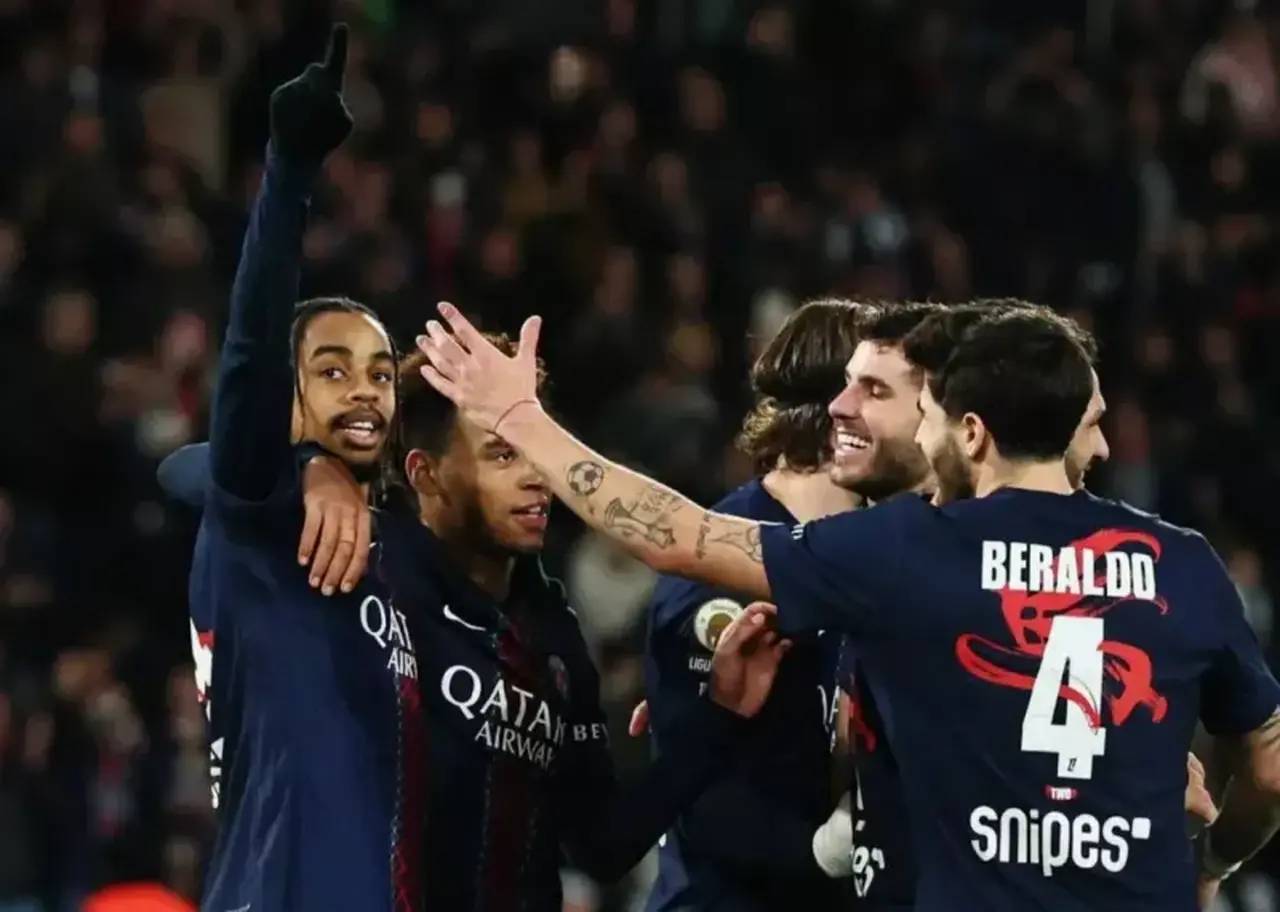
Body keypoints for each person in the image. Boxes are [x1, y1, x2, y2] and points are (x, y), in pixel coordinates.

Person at [414, 301, 1280, 910]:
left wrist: (521, 419)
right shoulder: (1183, 563)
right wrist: (1207, 853)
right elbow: (1271, 767)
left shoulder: (911, 551)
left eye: (920, 406)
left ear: (970, 431)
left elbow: (674, 533)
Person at [162, 338, 793, 912]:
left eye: (535, 453)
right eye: (501, 454)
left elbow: (601, 844)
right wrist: (310, 467)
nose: (535, 477)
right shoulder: (360, 562)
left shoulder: (553, 636)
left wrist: (719, 718)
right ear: (425, 473)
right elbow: (186, 470)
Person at [186, 26, 429, 912]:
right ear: (285, 406)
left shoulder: (403, 553)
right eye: (331, 371)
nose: (363, 390)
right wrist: (289, 171)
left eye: (379, 374)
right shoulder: (260, 505)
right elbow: (251, 351)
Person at [640, 299, 863, 912]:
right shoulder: (723, 568)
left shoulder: (854, 558)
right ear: (844, 417)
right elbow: (699, 795)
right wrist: (824, 851)